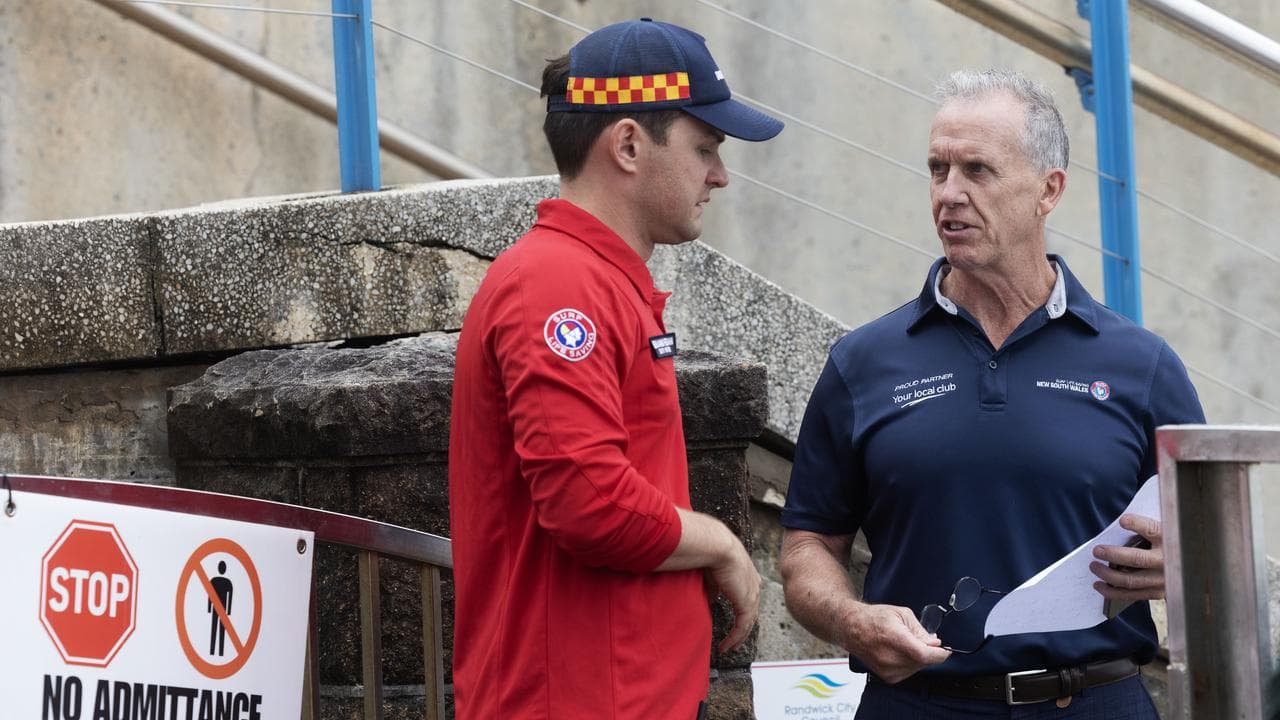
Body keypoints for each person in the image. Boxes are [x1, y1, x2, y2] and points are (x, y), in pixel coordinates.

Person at [780, 69, 1204, 717]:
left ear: (1048, 190)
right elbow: (809, 543)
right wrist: (847, 618)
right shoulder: (862, 363)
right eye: (937, 168)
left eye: (978, 171)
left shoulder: (1141, 366)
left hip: (1094, 700)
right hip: (918, 704)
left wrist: (1186, 570)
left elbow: (1211, 549)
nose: (949, 194)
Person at [448, 18, 783, 720]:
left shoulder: (587, 277)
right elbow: (590, 504)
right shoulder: (560, 283)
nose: (719, 175)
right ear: (628, 145)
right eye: (705, 147)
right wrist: (720, 542)